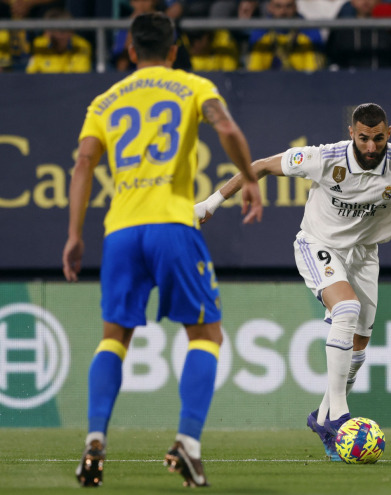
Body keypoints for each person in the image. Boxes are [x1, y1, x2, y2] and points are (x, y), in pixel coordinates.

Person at [194, 102, 391, 461]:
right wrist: (209, 205)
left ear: (389, 134)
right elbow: (259, 166)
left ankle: (322, 418)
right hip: (318, 244)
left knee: (359, 350)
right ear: (352, 133)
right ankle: (339, 414)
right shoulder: (323, 158)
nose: (371, 147)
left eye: (379, 139)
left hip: (366, 255)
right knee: (347, 308)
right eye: (364, 138)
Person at [62, 12, 263, 487]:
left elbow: (83, 164)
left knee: (114, 336)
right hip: (172, 224)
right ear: (173, 51)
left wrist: (74, 235)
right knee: (206, 335)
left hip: (121, 232)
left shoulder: (105, 100)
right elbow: (227, 128)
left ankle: (94, 442)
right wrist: (250, 179)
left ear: (130, 51)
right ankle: (188, 444)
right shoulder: (191, 85)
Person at [246, 0, 324, 71]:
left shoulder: (310, 30)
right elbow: (253, 68)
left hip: (303, 81)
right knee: (261, 45)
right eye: (278, 6)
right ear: (270, 8)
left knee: (306, 43)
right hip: (267, 82)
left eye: (288, 6)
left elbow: (316, 69)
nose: (283, 11)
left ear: (296, 8)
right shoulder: (260, 31)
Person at [25, 7, 92, 73]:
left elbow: (81, 78)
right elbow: (31, 75)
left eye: (62, 31)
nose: (55, 36)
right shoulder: (39, 44)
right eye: (51, 31)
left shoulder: (81, 46)